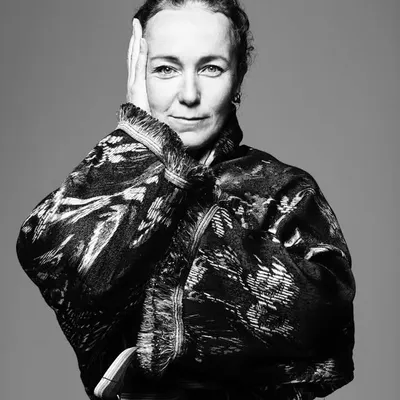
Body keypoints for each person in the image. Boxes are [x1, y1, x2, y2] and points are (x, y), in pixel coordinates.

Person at [16, 0, 356, 399]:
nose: (189, 94)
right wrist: (141, 143)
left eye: (211, 68)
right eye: (165, 69)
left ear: (238, 78)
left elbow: (322, 323)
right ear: (139, 73)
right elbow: (58, 261)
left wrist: (177, 216)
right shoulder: (105, 181)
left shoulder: (284, 188)